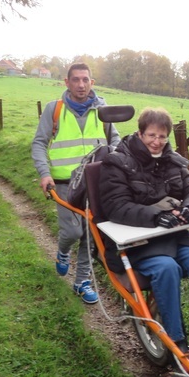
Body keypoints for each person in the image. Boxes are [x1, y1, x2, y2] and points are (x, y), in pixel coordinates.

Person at [98, 107, 189, 371]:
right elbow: (115, 206)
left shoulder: (173, 160)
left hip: (175, 235)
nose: (156, 141)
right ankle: (176, 342)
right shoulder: (117, 162)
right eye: (151, 135)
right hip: (137, 242)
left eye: (162, 136)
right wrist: (154, 215)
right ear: (140, 133)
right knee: (166, 268)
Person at [31, 62, 120, 304]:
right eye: (76, 80)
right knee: (73, 230)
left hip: (96, 182)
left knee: (92, 234)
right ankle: (62, 252)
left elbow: (116, 142)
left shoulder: (103, 110)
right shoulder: (54, 110)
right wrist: (44, 173)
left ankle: (82, 281)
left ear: (92, 83)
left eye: (85, 80)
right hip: (63, 183)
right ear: (67, 82)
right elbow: (39, 143)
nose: (81, 84)